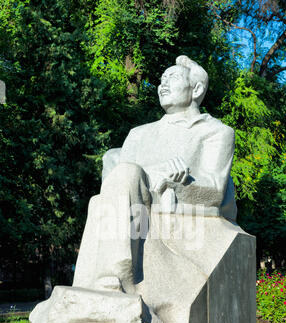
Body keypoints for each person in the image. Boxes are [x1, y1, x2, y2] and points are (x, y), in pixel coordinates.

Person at [73, 55, 237, 294]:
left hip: (177, 210)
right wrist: (157, 174)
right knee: (114, 167)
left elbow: (215, 190)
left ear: (197, 88)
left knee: (125, 172)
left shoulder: (216, 132)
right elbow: (121, 183)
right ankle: (107, 277)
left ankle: (115, 276)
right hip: (135, 209)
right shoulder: (138, 133)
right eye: (162, 80)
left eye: (173, 78)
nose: (163, 85)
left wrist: (180, 182)